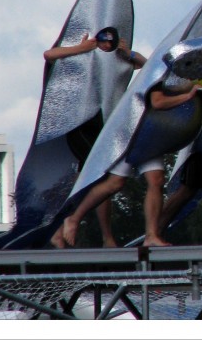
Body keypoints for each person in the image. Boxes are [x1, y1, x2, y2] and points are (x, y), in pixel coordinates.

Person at [60, 81, 202, 248]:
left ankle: (151, 236)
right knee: (115, 183)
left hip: (150, 136)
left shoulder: (174, 75)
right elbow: (158, 102)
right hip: (131, 132)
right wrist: (188, 95)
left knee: (156, 181)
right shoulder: (158, 72)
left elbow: (174, 85)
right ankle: (74, 218)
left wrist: (193, 86)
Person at [48, 28, 146, 248]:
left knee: (96, 181)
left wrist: (128, 53)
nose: (106, 44)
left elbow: (149, 67)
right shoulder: (82, 53)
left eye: (111, 41)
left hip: (105, 125)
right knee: (98, 178)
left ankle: (102, 235)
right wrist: (80, 48)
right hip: (81, 123)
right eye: (103, 40)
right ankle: (73, 227)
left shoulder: (119, 60)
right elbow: (49, 55)